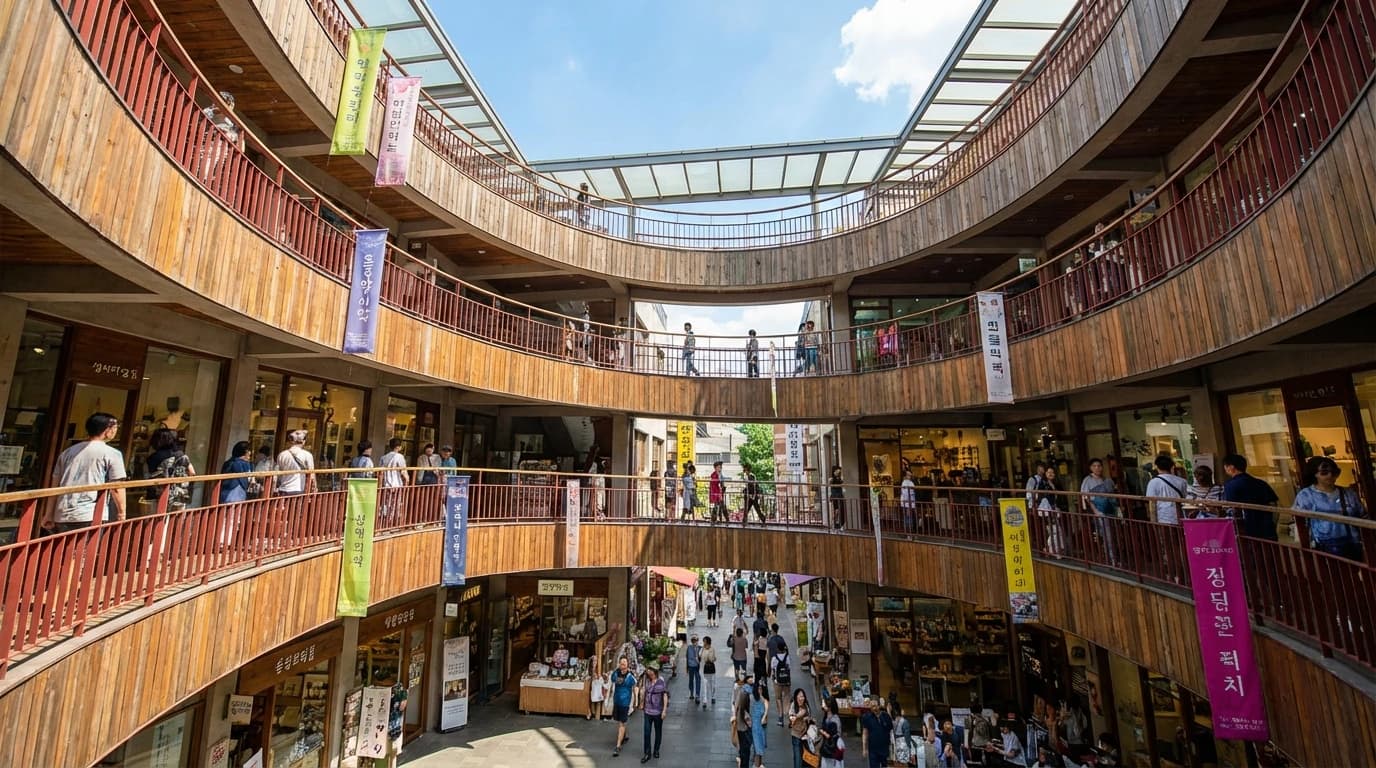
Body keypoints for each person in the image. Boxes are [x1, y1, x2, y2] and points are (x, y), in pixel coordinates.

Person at [46, 412, 127, 532]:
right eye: (115, 428)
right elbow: (117, 486)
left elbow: (55, 485)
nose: (115, 431)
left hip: (62, 513)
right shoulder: (112, 453)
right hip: (91, 513)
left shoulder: (67, 452)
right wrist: (122, 513)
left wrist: (49, 513)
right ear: (107, 430)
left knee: (65, 549)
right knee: (87, 549)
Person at [1295, 456, 1366, 561]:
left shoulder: (1349, 493)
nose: (1330, 475)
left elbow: (1362, 515)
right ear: (1314, 474)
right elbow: (1300, 522)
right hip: (1324, 545)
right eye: (1324, 472)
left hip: (1352, 542)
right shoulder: (1305, 496)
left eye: (1334, 472)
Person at [1220, 454, 1279, 540]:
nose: (1225, 469)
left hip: (1247, 530)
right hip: (1267, 528)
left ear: (1231, 467)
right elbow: (1274, 505)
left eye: (1226, 466)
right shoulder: (1261, 483)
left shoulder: (1230, 486)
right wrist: (1273, 524)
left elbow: (1230, 509)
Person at [1080, 457, 1120, 565]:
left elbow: (1113, 495)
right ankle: (1111, 559)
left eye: (1099, 466)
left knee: (1113, 534)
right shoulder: (1087, 480)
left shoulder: (1106, 479)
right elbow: (1086, 498)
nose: (1097, 468)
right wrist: (1095, 511)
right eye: (1094, 466)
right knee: (1107, 535)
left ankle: (1113, 558)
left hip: (1110, 510)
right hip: (1099, 511)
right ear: (1090, 468)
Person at [639, 664, 669, 763]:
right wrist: (642, 702)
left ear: (655, 672)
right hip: (647, 711)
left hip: (658, 711)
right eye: (649, 673)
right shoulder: (647, 681)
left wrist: (664, 710)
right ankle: (647, 753)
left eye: (652, 673)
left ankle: (656, 750)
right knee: (647, 733)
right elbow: (644, 692)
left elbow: (664, 695)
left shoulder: (661, 681)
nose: (650, 675)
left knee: (658, 731)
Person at [1145, 455, 1187, 524]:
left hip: (1163, 519)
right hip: (1180, 517)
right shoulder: (1182, 481)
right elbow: (1186, 499)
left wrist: (1153, 522)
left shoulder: (1153, 482)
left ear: (1157, 467)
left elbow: (1152, 504)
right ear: (1171, 467)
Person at [610, 656, 637, 757]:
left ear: (628, 664)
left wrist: (636, 701)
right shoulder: (616, 673)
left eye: (625, 663)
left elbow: (635, 686)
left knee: (621, 723)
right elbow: (613, 679)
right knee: (621, 721)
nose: (623, 665)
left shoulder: (630, 676)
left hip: (625, 702)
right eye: (621, 663)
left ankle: (618, 746)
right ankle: (624, 736)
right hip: (617, 701)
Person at [1036, 466, 1066, 558]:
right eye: (1048, 472)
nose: (1050, 474)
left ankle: (1055, 550)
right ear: (1045, 474)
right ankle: (1051, 550)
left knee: (1057, 531)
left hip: (1054, 510)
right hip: (1047, 510)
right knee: (1054, 531)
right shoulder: (1043, 483)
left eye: (1052, 472)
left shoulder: (1055, 484)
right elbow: (1041, 495)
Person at [274, 430, 315, 496]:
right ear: (303, 441)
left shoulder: (282, 454)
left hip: (283, 490)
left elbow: (277, 475)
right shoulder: (307, 455)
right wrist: (314, 489)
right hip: (298, 490)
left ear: (291, 441)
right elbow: (312, 475)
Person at [860, 698, 893, 768]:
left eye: (875, 706)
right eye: (872, 706)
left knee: (885, 766)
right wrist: (864, 748)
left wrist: (889, 713)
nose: (873, 708)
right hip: (873, 749)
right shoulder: (867, 717)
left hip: (884, 748)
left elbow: (891, 730)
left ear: (879, 705)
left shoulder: (885, 716)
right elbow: (865, 733)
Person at [733, 674, 755, 768]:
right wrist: (749, 722)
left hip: (742, 726)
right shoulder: (745, 693)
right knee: (745, 751)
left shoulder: (742, 691)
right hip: (744, 727)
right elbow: (742, 710)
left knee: (744, 751)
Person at [788, 688, 813, 768]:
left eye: (803, 696)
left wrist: (808, 719)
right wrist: (798, 715)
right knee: (797, 756)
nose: (801, 698)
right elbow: (791, 718)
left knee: (805, 758)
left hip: (806, 735)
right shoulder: (793, 705)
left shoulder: (806, 705)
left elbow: (809, 716)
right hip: (796, 734)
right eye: (799, 696)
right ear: (796, 697)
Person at [750, 672, 770, 766]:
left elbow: (766, 714)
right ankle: (755, 765)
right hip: (755, 727)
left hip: (761, 728)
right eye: (758, 688)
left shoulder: (764, 701)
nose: (760, 690)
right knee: (758, 750)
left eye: (761, 688)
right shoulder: (752, 699)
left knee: (759, 750)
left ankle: (757, 765)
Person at [770, 638, 791, 724]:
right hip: (786, 680)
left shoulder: (774, 658)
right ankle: (787, 713)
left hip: (777, 681)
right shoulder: (787, 657)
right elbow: (789, 668)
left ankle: (780, 716)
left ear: (778, 648)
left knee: (778, 698)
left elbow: (772, 668)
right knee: (786, 696)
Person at [891, 701, 914, 766]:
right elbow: (907, 738)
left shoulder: (891, 721)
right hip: (903, 746)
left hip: (894, 746)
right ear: (900, 710)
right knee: (903, 765)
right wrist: (910, 751)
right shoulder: (904, 722)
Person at [701, 636, 718, 707]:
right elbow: (701, 656)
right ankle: (705, 700)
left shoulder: (712, 649)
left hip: (711, 668)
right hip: (705, 668)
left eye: (704, 641)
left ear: (707, 642)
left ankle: (713, 697)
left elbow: (711, 659)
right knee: (705, 685)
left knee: (712, 684)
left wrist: (707, 655)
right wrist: (703, 650)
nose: (703, 643)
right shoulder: (703, 649)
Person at [685, 634, 702, 703]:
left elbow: (702, 658)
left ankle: (697, 695)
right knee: (691, 680)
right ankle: (691, 693)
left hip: (697, 667)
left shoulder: (700, 648)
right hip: (691, 667)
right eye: (693, 640)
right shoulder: (689, 647)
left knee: (698, 680)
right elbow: (687, 658)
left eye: (696, 640)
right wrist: (686, 667)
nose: (694, 642)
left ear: (698, 640)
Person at [900, 469, 917, 533]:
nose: (909, 476)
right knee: (908, 516)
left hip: (911, 501)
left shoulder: (911, 482)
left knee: (910, 516)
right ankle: (908, 531)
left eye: (910, 474)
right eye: (908, 475)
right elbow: (905, 493)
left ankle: (910, 530)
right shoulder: (905, 482)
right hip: (907, 502)